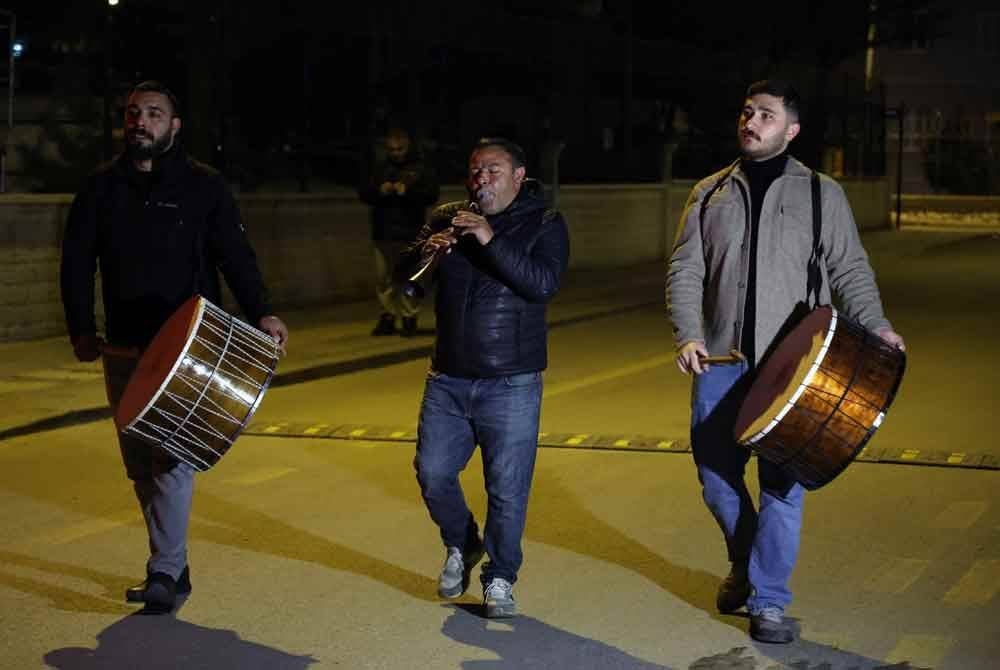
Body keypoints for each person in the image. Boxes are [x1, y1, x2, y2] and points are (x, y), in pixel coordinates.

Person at [665, 80, 905, 644]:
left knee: (782, 485)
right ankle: (746, 562)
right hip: (720, 361)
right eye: (747, 111)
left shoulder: (822, 194)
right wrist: (687, 333)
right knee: (715, 476)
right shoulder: (709, 192)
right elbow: (686, 268)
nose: (751, 122)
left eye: (766, 115)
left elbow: (849, 269)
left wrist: (877, 325)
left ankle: (768, 600)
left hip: (796, 368)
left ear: (791, 130)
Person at [60, 80, 288, 614]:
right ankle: (172, 565)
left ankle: (164, 569)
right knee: (140, 464)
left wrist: (262, 311)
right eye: (133, 113)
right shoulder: (99, 188)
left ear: (174, 125)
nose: (140, 121)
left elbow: (235, 254)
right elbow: (76, 263)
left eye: (154, 114)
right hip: (124, 344)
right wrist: (80, 328)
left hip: (189, 345)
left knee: (172, 455)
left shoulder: (203, 186)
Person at [410, 138, 569, 618]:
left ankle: (500, 576)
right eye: (476, 171)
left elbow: (542, 284)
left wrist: (489, 238)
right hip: (448, 378)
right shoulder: (448, 218)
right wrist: (426, 252)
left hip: (511, 381)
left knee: (506, 488)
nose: (482, 180)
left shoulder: (545, 222)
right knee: (433, 472)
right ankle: (463, 541)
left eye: (493, 171)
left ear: (518, 176)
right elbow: (406, 280)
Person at [359, 127, 440, 337]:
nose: (396, 153)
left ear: (408, 146)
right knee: (384, 278)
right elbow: (364, 192)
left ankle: (409, 317)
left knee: (410, 276)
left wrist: (409, 192)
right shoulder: (380, 168)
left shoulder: (420, 168)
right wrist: (380, 190)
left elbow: (432, 194)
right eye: (392, 149)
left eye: (400, 149)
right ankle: (387, 317)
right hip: (384, 231)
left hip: (411, 231)